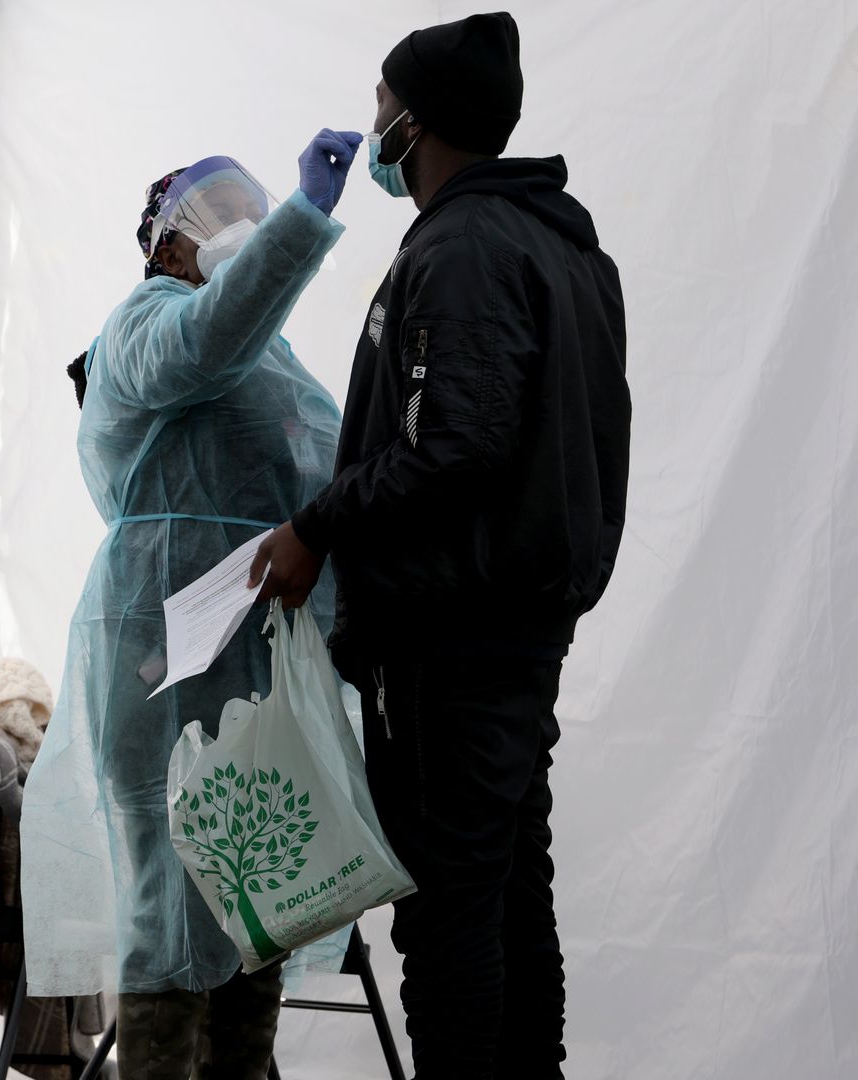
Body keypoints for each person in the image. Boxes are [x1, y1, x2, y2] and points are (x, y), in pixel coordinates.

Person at [250, 13, 631, 1079]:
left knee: (452, 911)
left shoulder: (464, 246)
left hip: (451, 638)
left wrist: (314, 526)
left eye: (381, 100)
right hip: (514, 629)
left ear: (415, 121)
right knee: (508, 886)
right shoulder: (561, 246)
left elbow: (455, 445)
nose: (371, 120)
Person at [22, 132, 362, 1080]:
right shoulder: (146, 321)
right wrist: (301, 222)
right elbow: (201, 347)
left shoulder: (268, 353)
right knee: (171, 899)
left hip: (246, 650)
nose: (239, 232)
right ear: (165, 247)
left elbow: (323, 464)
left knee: (254, 893)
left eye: (252, 212)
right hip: (160, 650)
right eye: (215, 219)